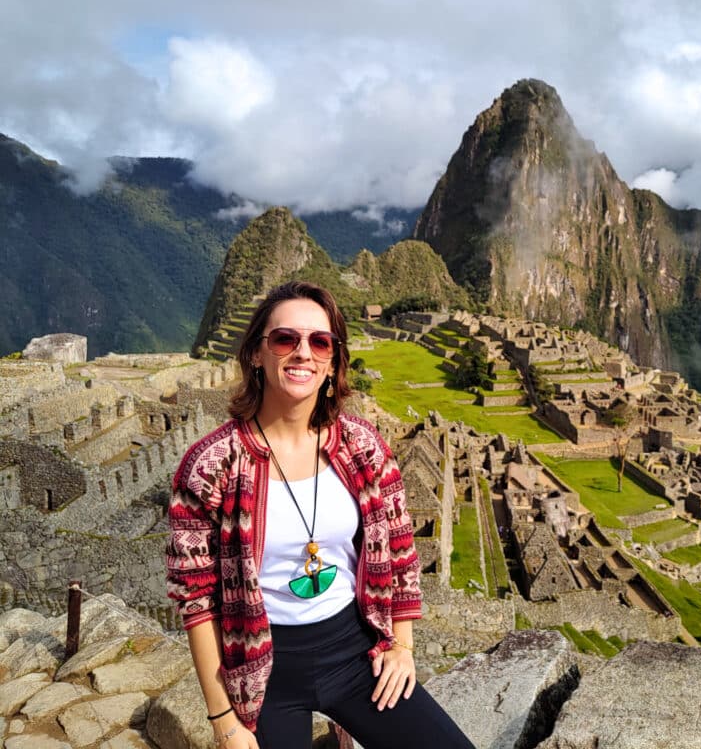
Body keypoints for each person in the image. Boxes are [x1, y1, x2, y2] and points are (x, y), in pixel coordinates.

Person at [167, 281, 474, 748]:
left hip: (355, 652)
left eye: (320, 341)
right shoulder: (210, 467)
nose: (302, 353)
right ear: (256, 353)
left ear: (332, 361)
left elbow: (399, 551)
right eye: (285, 339)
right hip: (263, 671)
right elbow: (196, 601)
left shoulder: (362, 447)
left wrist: (403, 647)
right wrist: (225, 721)